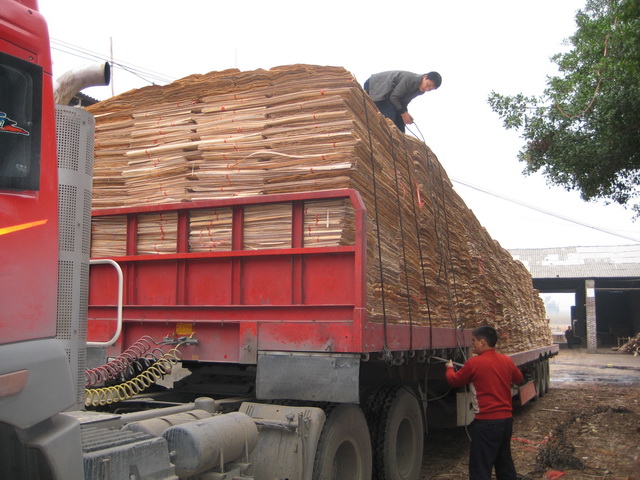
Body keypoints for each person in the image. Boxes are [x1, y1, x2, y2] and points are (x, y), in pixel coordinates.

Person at [445, 326, 523, 480]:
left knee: (480, 467)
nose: (472, 344)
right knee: (504, 463)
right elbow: (519, 378)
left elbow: (454, 381)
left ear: (482, 342)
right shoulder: (506, 361)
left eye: (474, 341)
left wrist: (449, 368)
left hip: (486, 422)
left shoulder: (474, 363)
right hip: (506, 421)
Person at [363, 70, 441, 132]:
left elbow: (403, 102)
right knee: (390, 115)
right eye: (428, 85)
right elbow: (394, 97)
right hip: (375, 86)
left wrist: (405, 114)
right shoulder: (411, 79)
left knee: (400, 124)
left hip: (389, 96)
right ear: (425, 77)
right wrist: (404, 114)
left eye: (430, 89)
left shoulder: (420, 90)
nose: (427, 89)